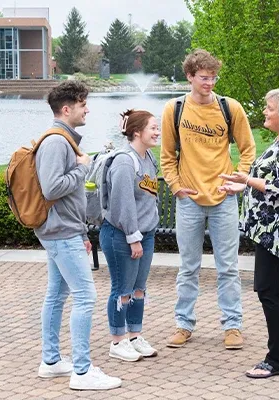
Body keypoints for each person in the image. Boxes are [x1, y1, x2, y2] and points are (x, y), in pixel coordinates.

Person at [161, 49, 256, 349]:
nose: (209, 83)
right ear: (189, 76)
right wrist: (176, 186)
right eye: (203, 78)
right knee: (188, 266)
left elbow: (248, 148)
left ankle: (233, 326)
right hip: (188, 200)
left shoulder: (231, 108)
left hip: (224, 200)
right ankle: (183, 324)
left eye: (213, 77)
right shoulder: (173, 109)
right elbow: (166, 156)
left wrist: (239, 179)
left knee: (227, 266)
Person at [219, 88, 279, 378]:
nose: (264, 112)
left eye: (269, 108)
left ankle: (276, 360)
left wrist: (247, 179)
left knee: (270, 291)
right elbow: (275, 180)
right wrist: (244, 185)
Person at [35, 81, 122, 390]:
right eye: (84, 104)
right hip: (60, 232)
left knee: (57, 294)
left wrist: (82, 229)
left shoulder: (62, 140)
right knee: (86, 296)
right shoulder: (57, 142)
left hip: (64, 230)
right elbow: (52, 188)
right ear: (67, 108)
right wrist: (83, 168)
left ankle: (51, 361)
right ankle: (82, 372)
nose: (88, 109)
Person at [99, 110, 160, 362]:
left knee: (138, 289)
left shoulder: (148, 157)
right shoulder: (125, 161)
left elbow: (148, 197)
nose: (157, 132)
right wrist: (133, 237)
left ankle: (134, 336)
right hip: (122, 236)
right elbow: (122, 204)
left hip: (146, 233)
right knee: (122, 290)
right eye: (153, 128)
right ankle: (117, 341)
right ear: (137, 132)